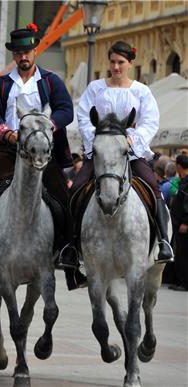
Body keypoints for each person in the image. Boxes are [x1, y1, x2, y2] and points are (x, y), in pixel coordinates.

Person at [0, 24, 80, 285]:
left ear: (35, 51)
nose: (23, 57)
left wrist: (48, 127)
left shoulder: (50, 81)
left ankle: (68, 252)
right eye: (19, 53)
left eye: (28, 52)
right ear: (13, 55)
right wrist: (6, 133)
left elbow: (66, 110)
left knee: (61, 195)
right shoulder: (2, 84)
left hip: (42, 150)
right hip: (9, 149)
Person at [73, 40, 174, 264]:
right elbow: (83, 118)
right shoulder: (95, 88)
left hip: (130, 151)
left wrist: (132, 140)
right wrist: (98, 141)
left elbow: (150, 122)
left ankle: (163, 241)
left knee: (152, 186)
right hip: (100, 151)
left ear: (130, 63)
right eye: (112, 62)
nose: (115, 67)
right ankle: (71, 245)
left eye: (120, 62)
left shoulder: (141, 91)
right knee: (78, 186)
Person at [170, 155, 188, 291]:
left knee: (184, 252)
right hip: (177, 223)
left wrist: (185, 222)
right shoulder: (181, 181)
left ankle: (184, 282)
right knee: (179, 252)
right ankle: (179, 280)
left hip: (183, 225)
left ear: (179, 166)